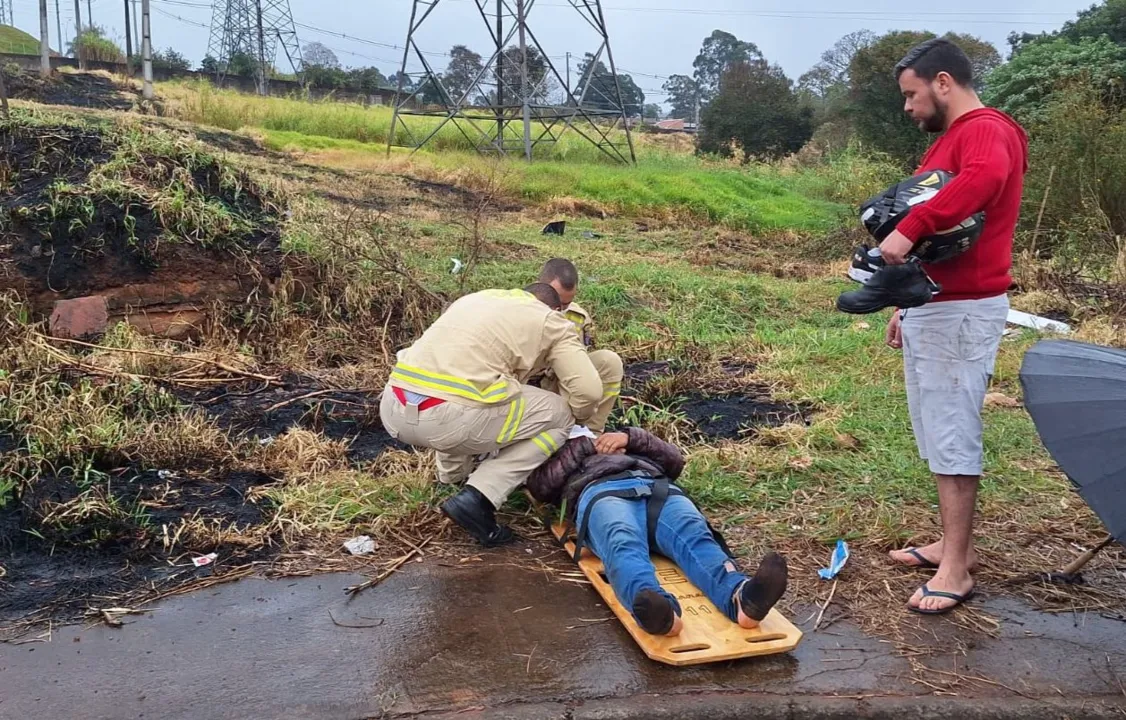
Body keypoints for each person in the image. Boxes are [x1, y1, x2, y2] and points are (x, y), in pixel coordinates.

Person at [878, 39, 1029, 614]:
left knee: (952, 429)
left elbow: (986, 179)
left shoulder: (987, 129)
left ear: (944, 82)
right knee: (934, 428)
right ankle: (951, 543)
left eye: (912, 94)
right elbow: (950, 238)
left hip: (964, 308)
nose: (908, 107)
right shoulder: (950, 142)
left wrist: (912, 225)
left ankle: (957, 568)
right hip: (936, 303)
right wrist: (905, 301)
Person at [380, 284, 603, 547]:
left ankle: (451, 481)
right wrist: (580, 423)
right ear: (555, 309)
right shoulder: (549, 320)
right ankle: (479, 497)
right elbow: (588, 392)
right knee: (559, 415)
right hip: (451, 419)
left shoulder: (473, 299)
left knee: (472, 387)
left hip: (394, 406)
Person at [526, 427, 788, 636]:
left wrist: (630, 437)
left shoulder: (618, 433)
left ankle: (742, 599)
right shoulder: (551, 439)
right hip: (601, 491)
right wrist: (584, 445)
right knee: (623, 540)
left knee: (695, 534)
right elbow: (541, 486)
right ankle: (659, 614)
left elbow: (674, 461)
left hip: (658, 487)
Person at [533, 259, 624, 434]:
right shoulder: (517, 310)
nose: (559, 309)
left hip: (556, 381)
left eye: (565, 304)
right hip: (523, 388)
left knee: (608, 361)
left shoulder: (577, 317)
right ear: (540, 288)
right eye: (555, 301)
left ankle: (589, 434)